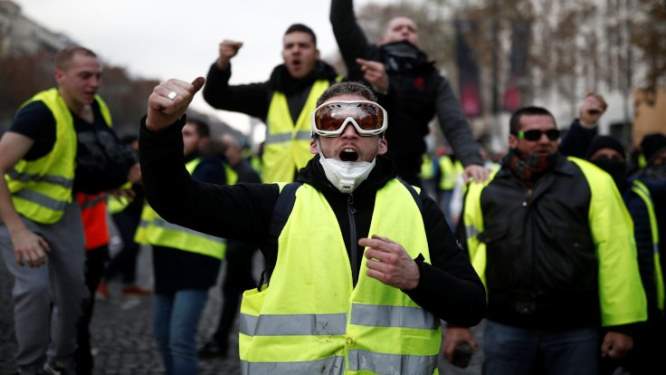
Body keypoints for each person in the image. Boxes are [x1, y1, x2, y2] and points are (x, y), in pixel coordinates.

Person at [141, 79, 486, 374]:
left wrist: (418, 278)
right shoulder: (276, 204)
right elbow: (177, 200)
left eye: (365, 119)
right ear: (314, 142)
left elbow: (471, 304)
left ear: (381, 142)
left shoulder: (418, 206)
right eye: (331, 119)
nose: (348, 131)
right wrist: (160, 130)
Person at [447, 106, 647, 375]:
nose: (544, 140)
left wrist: (622, 324)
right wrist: (458, 323)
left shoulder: (593, 181)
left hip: (575, 330)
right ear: (512, 140)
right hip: (506, 329)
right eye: (533, 134)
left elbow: (617, 254)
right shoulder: (485, 187)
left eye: (552, 133)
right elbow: (465, 260)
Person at [0, 46, 137, 375]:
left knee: (76, 294)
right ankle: (28, 369)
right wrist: (18, 232)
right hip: (19, 214)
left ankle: (60, 364)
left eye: (99, 76)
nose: (94, 83)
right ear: (60, 76)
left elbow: (83, 161)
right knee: (35, 290)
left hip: (65, 213)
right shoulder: (39, 114)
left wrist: (107, 184)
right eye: (85, 76)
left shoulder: (97, 108)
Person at [330, 0, 487, 185]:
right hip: (357, 171)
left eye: (411, 29)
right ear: (382, 39)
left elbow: (455, 121)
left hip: (408, 174)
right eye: (397, 28)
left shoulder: (432, 78)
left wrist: (472, 161)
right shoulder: (365, 58)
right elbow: (342, 22)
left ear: (417, 40)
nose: (405, 31)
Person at [135, 118, 231, 375]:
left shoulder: (211, 166)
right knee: (161, 335)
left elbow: (183, 191)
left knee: (180, 339)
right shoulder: (181, 164)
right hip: (166, 260)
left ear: (201, 141)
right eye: (178, 134)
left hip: (196, 264)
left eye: (187, 134)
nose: (180, 138)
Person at [202, 23, 339, 183]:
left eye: (303, 45)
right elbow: (216, 96)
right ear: (283, 54)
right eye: (289, 46)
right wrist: (222, 63)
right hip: (277, 193)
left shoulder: (337, 90)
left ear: (316, 53)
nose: (296, 50)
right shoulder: (267, 93)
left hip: (324, 188)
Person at [584, 135, 664, 375]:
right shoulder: (577, 195)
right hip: (594, 314)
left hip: (646, 309)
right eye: (601, 158)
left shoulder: (643, 192)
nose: (609, 162)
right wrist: (584, 128)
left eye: (616, 158)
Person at [199, 134, 262, 359]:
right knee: (246, 290)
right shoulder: (238, 170)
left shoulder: (246, 173)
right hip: (239, 243)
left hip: (241, 245)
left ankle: (221, 339)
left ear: (235, 150)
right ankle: (222, 338)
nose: (226, 154)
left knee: (234, 291)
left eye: (229, 149)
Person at [559, 92, 608, 158]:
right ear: (581, 108)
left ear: (601, 111)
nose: (591, 105)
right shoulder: (567, 134)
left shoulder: (601, 141)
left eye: (595, 103)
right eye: (589, 102)